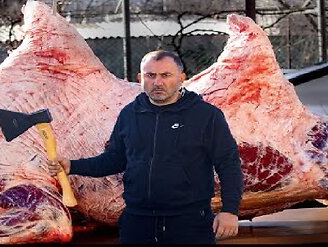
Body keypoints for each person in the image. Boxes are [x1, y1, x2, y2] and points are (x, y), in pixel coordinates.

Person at [47, 50, 244, 244]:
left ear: (181, 78)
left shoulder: (205, 115)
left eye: (166, 75)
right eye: (151, 75)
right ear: (140, 78)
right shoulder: (129, 114)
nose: (158, 82)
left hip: (190, 222)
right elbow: (115, 159)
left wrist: (230, 210)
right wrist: (72, 166)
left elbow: (228, 163)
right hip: (137, 221)